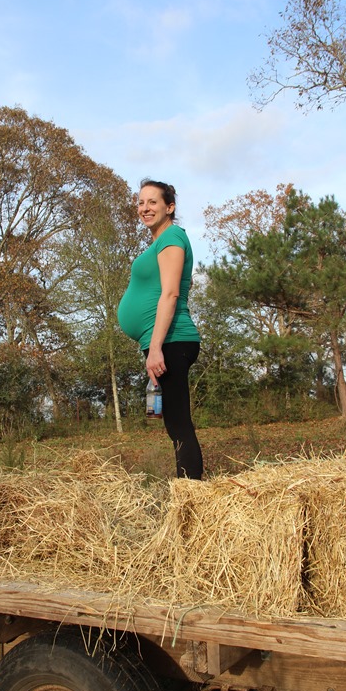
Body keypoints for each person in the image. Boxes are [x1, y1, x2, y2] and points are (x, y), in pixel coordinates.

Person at [117, 179, 203, 480]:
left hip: (171, 340)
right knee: (174, 423)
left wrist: (155, 348)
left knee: (179, 424)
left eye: (152, 202)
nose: (145, 208)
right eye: (141, 202)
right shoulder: (160, 242)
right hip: (164, 341)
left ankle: (191, 494)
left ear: (170, 207)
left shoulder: (172, 237)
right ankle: (189, 490)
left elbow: (171, 293)